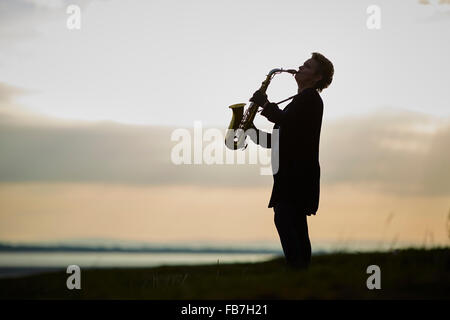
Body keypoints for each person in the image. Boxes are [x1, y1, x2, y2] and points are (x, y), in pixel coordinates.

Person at [249, 52, 334, 269]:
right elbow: (278, 139)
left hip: (297, 175)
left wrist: (265, 105)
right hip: (291, 175)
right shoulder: (299, 101)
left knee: (286, 220)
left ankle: (297, 271)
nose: (300, 67)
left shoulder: (311, 100)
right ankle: (301, 274)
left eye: (307, 66)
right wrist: (251, 131)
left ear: (317, 78)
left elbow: (287, 125)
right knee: (293, 224)